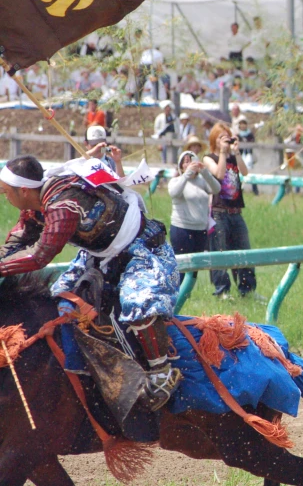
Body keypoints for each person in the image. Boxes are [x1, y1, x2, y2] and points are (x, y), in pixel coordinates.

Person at [0, 155, 181, 410]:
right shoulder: (36, 203)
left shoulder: (63, 205)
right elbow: (19, 240)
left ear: (24, 190)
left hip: (141, 250)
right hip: (99, 255)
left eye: (6, 192)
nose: (5, 197)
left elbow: (40, 256)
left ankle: (161, 371)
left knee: (138, 302)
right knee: (58, 299)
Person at [203, 123, 257, 298]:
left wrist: (236, 152)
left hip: (236, 211)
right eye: (221, 137)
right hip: (219, 212)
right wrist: (223, 153)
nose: (225, 141)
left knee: (244, 251)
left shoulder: (233, 158)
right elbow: (219, 174)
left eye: (228, 137)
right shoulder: (209, 157)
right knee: (219, 251)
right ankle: (222, 290)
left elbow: (245, 172)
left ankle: (247, 289)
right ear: (214, 140)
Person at [169, 151, 221, 284]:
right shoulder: (177, 181)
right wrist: (186, 174)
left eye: (192, 160)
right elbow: (174, 192)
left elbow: (216, 188)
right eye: (185, 161)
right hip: (182, 229)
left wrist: (205, 172)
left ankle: (187, 293)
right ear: (181, 166)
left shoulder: (201, 182)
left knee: (194, 268)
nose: (189, 163)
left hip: (200, 230)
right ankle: (175, 293)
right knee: (181, 267)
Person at [236, 116, 259, 196]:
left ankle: (255, 190)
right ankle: (239, 190)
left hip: (248, 155)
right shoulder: (237, 135)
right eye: (241, 124)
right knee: (239, 172)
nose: (242, 125)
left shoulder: (250, 135)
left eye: (244, 123)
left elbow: (252, 143)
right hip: (241, 156)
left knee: (250, 173)